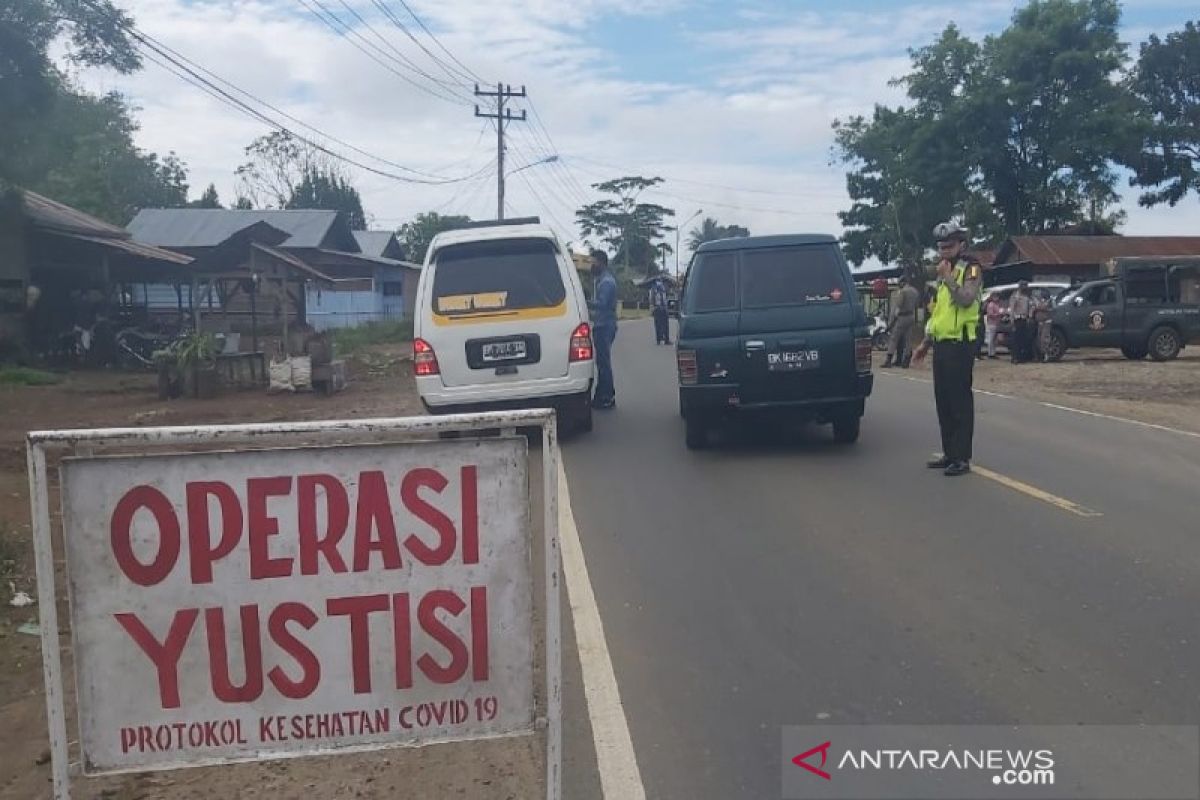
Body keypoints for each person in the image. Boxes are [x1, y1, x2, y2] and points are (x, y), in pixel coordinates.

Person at [912, 221, 982, 477]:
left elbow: (965, 300)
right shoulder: (944, 273)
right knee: (943, 400)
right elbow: (939, 313)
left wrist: (949, 279)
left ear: (961, 245)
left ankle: (962, 458)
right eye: (940, 247)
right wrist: (925, 343)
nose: (943, 251)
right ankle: (950, 453)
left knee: (959, 401)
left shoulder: (970, 268)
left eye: (949, 246)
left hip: (961, 344)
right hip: (942, 344)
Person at [589, 250, 618, 409]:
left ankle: (607, 397)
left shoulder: (606, 282)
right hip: (604, 324)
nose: (591, 265)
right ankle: (603, 395)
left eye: (593, 262)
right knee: (602, 362)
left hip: (604, 326)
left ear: (601, 262)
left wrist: (585, 302)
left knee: (604, 363)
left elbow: (602, 304)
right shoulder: (601, 280)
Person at [883, 277, 919, 368]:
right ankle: (906, 361)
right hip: (911, 316)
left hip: (902, 317)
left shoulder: (902, 292)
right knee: (908, 340)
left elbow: (898, 307)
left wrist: (891, 322)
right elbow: (917, 304)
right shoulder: (915, 291)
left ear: (903, 283)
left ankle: (888, 360)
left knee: (894, 338)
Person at [1009, 281, 1033, 363]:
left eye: (1025, 286)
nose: (1025, 288)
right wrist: (1012, 321)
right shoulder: (1015, 296)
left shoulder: (1026, 296)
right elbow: (1012, 309)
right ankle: (1015, 357)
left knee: (1023, 340)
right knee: (1016, 340)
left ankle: (1021, 357)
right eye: (1023, 286)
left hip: (1024, 319)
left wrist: (1029, 316)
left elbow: (1030, 307)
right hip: (1017, 319)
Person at [650, 278, 671, 345]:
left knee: (658, 324)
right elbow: (653, 299)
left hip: (658, 308)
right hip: (661, 308)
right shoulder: (661, 288)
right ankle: (665, 340)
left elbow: (652, 299)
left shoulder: (654, 288)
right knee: (665, 325)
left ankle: (659, 340)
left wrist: (653, 307)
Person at [983, 292, 1003, 359]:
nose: (997, 298)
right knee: (991, 339)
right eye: (995, 297)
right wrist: (998, 314)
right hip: (992, 323)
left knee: (994, 339)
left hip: (996, 323)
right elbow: (990, 314)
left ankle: (993, 353)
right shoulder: (991, 305)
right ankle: (990, 353)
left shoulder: (996, 304)